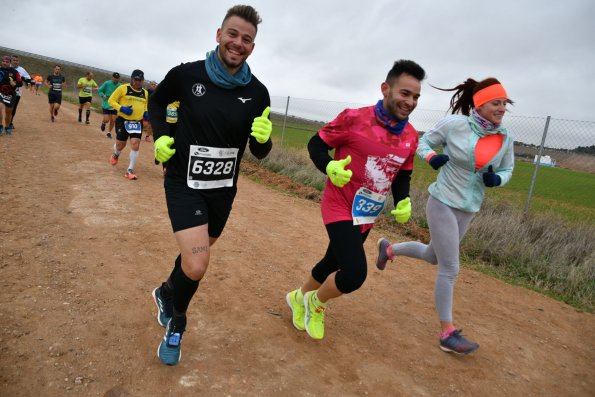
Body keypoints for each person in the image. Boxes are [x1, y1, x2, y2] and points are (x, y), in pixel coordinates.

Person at [148, 4, 272, 366]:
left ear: (253, 46)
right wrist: (162, 136)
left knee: (193, 257)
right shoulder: (187, 75)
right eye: (232, 34)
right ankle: (177, 326)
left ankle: (166, 291)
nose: (238, 43)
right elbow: (158, 101)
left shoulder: (258, 92)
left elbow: (260, 152)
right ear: (218, 35)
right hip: (183, 181)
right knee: (199, 264)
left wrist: (263, 139)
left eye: (247, 39)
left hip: (222, 189)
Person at [285, 60, 426, 341]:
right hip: (339, 204)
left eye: (415, 96)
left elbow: (402, 174)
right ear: (386, 88)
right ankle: (316, 302)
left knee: (331, 262)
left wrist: (403, 200)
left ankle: (298, 298)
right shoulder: (354, 118)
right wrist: (328, 166)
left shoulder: (410, 136)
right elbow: (317, 143)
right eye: (404, 93)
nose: (410, 101)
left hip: (366, 213)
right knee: (353, 273)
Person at [376, 77, 515, 356]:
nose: (502, 108)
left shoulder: (504, 137)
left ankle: (389, 249)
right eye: (496, 103)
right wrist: (432, 158)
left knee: (432, 255)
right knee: (450, 268)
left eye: (504, 104)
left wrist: (496, 179)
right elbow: (423, 142)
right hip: (442, 202)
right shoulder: (455, 125)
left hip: (469, 207)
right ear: (480, 103)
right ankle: (447, 333)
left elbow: (508, 168)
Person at [107, 69, 149, 180]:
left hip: (137, 122)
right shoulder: (123, 88)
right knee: (121, 144)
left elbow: (145, 105)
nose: (138, 82)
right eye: (136, 79)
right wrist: (122, 108)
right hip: (123, 120)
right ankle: (116, 154)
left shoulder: (145, 93)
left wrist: (145, 113)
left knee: (135, 144)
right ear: (132, 79)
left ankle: (129, 170)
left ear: (143, 80)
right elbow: (111, 101)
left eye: (140, 80)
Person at [0, 55, 22, 136]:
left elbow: (20, 83)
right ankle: (0, 126)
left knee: (8, 113)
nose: (5, 63)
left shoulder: (15, 72)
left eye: (7, 62)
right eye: (3, 61)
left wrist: (15, 84)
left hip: (10, 95)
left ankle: (7, 127)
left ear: (10, 63)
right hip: (0, 93)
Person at [9, 55, 31, 130]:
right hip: (5, 91)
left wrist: (28, 83)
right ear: (11, 60)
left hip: (17, 92)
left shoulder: (22, 70)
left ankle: (10, 122)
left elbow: (28, 78)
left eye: (17, 60)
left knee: (13, 108)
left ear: (19, 61)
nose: (15, 62)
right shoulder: (6, 67)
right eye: (14, 60)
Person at [97, 72, 122, 138]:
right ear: (112, 77)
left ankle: (109, 132)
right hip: (106, 104)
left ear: (119, 79)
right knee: (106, 120)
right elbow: (100, 90)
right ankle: (103, 123)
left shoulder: (120, 86)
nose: (116, 79)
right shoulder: (107, 83)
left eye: (117, 78)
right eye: (115, 78)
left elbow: (122, 95)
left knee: (113, 120)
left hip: (114, 105)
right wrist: (103, 95)